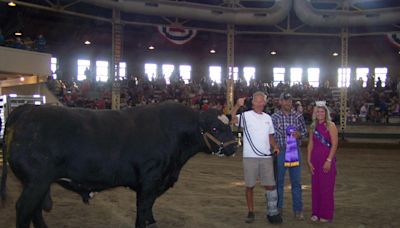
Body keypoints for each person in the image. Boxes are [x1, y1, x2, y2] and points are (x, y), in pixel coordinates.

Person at [231, 91, 282, 224]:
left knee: (270, 185)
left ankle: (272, 211)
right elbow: (233, 120)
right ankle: (251, 211)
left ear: (265, 103)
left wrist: (275, 146)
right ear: (252, 102)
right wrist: (237, 106)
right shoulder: (245, 115)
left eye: (262, 101)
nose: (259, 103)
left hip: (266, 157)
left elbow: (270, 135)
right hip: (250, 157)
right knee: (250, 186)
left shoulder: (268, 118)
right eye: (257, 101)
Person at [271, 92, 307, 220]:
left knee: (296, 182)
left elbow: (304, 131)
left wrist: (299, 134)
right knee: (279, 182)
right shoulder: (274, 117)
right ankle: (278, 208)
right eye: (285, 100)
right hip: (280, 151)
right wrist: (274, 146)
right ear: (280, 102)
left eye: (289, 100)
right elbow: (270, 135)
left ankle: (298, 209)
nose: (288, 103)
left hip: (294, 150)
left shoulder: (298, 116)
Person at [307, 101, 338, 222]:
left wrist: (329, 160)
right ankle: (316, 212)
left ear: (326, 113)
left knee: (326, 187)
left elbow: (335, 144)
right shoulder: (313, 127)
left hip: (327, 160)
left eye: (322, 111)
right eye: (317, 111)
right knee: (316, 186)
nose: (319, 113)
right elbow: (310, 144)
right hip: (315, 160)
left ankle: (326, 214)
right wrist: (309, 160)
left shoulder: (331, 126)